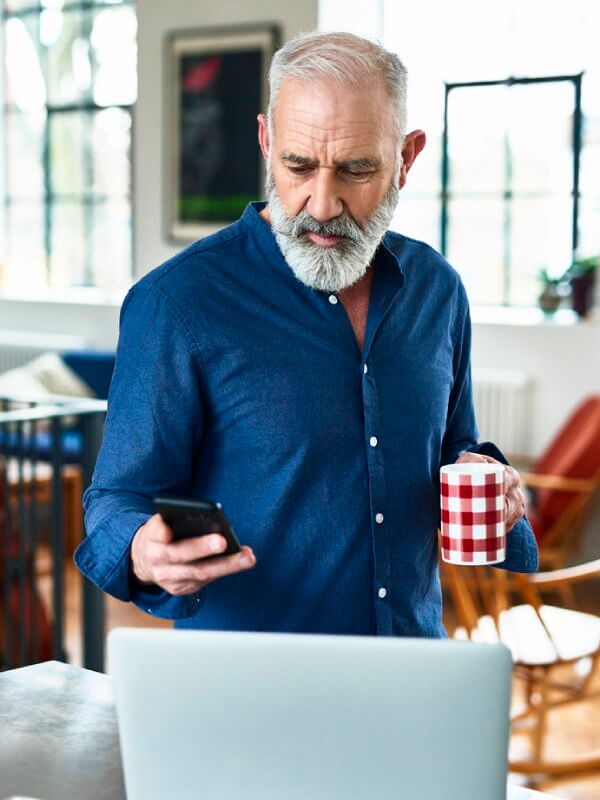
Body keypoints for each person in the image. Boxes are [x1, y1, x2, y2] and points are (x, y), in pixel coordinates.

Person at [74, 31, 538, 637]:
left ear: (406, 157)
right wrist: (141, 548)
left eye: (356, 169)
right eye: (298, 165)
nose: (322, 203)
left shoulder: (438, 291)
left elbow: (453, 449)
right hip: (253, 693)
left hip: (412, 674)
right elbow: (115, 500)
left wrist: (496, 489)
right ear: (267, 142)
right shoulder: (178, 303)